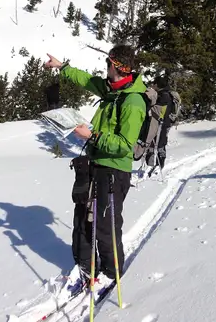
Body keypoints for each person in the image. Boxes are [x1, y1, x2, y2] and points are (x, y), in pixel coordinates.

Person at [44, 44, 147, 292]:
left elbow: (124, 145)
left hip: (114, 171)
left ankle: (111, 272)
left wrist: (92, 135)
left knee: (105, 225)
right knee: (82, 217)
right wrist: (62, 67)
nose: (105, 66)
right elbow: (87, 80)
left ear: (117, 66)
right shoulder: (112, 89)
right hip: (94, 163)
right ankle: (84, 266)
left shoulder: (132, 101)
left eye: (108, 63)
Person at [147, 75, 176, 170]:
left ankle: (157, 165)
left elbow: (158, 109)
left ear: (157, 85)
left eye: (153, 84)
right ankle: (154, 164)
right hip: (164, 122)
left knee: (157, 143)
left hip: (161, 122)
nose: (152, 86)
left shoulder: (164, 95)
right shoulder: (167, 94)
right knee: (159, 142)